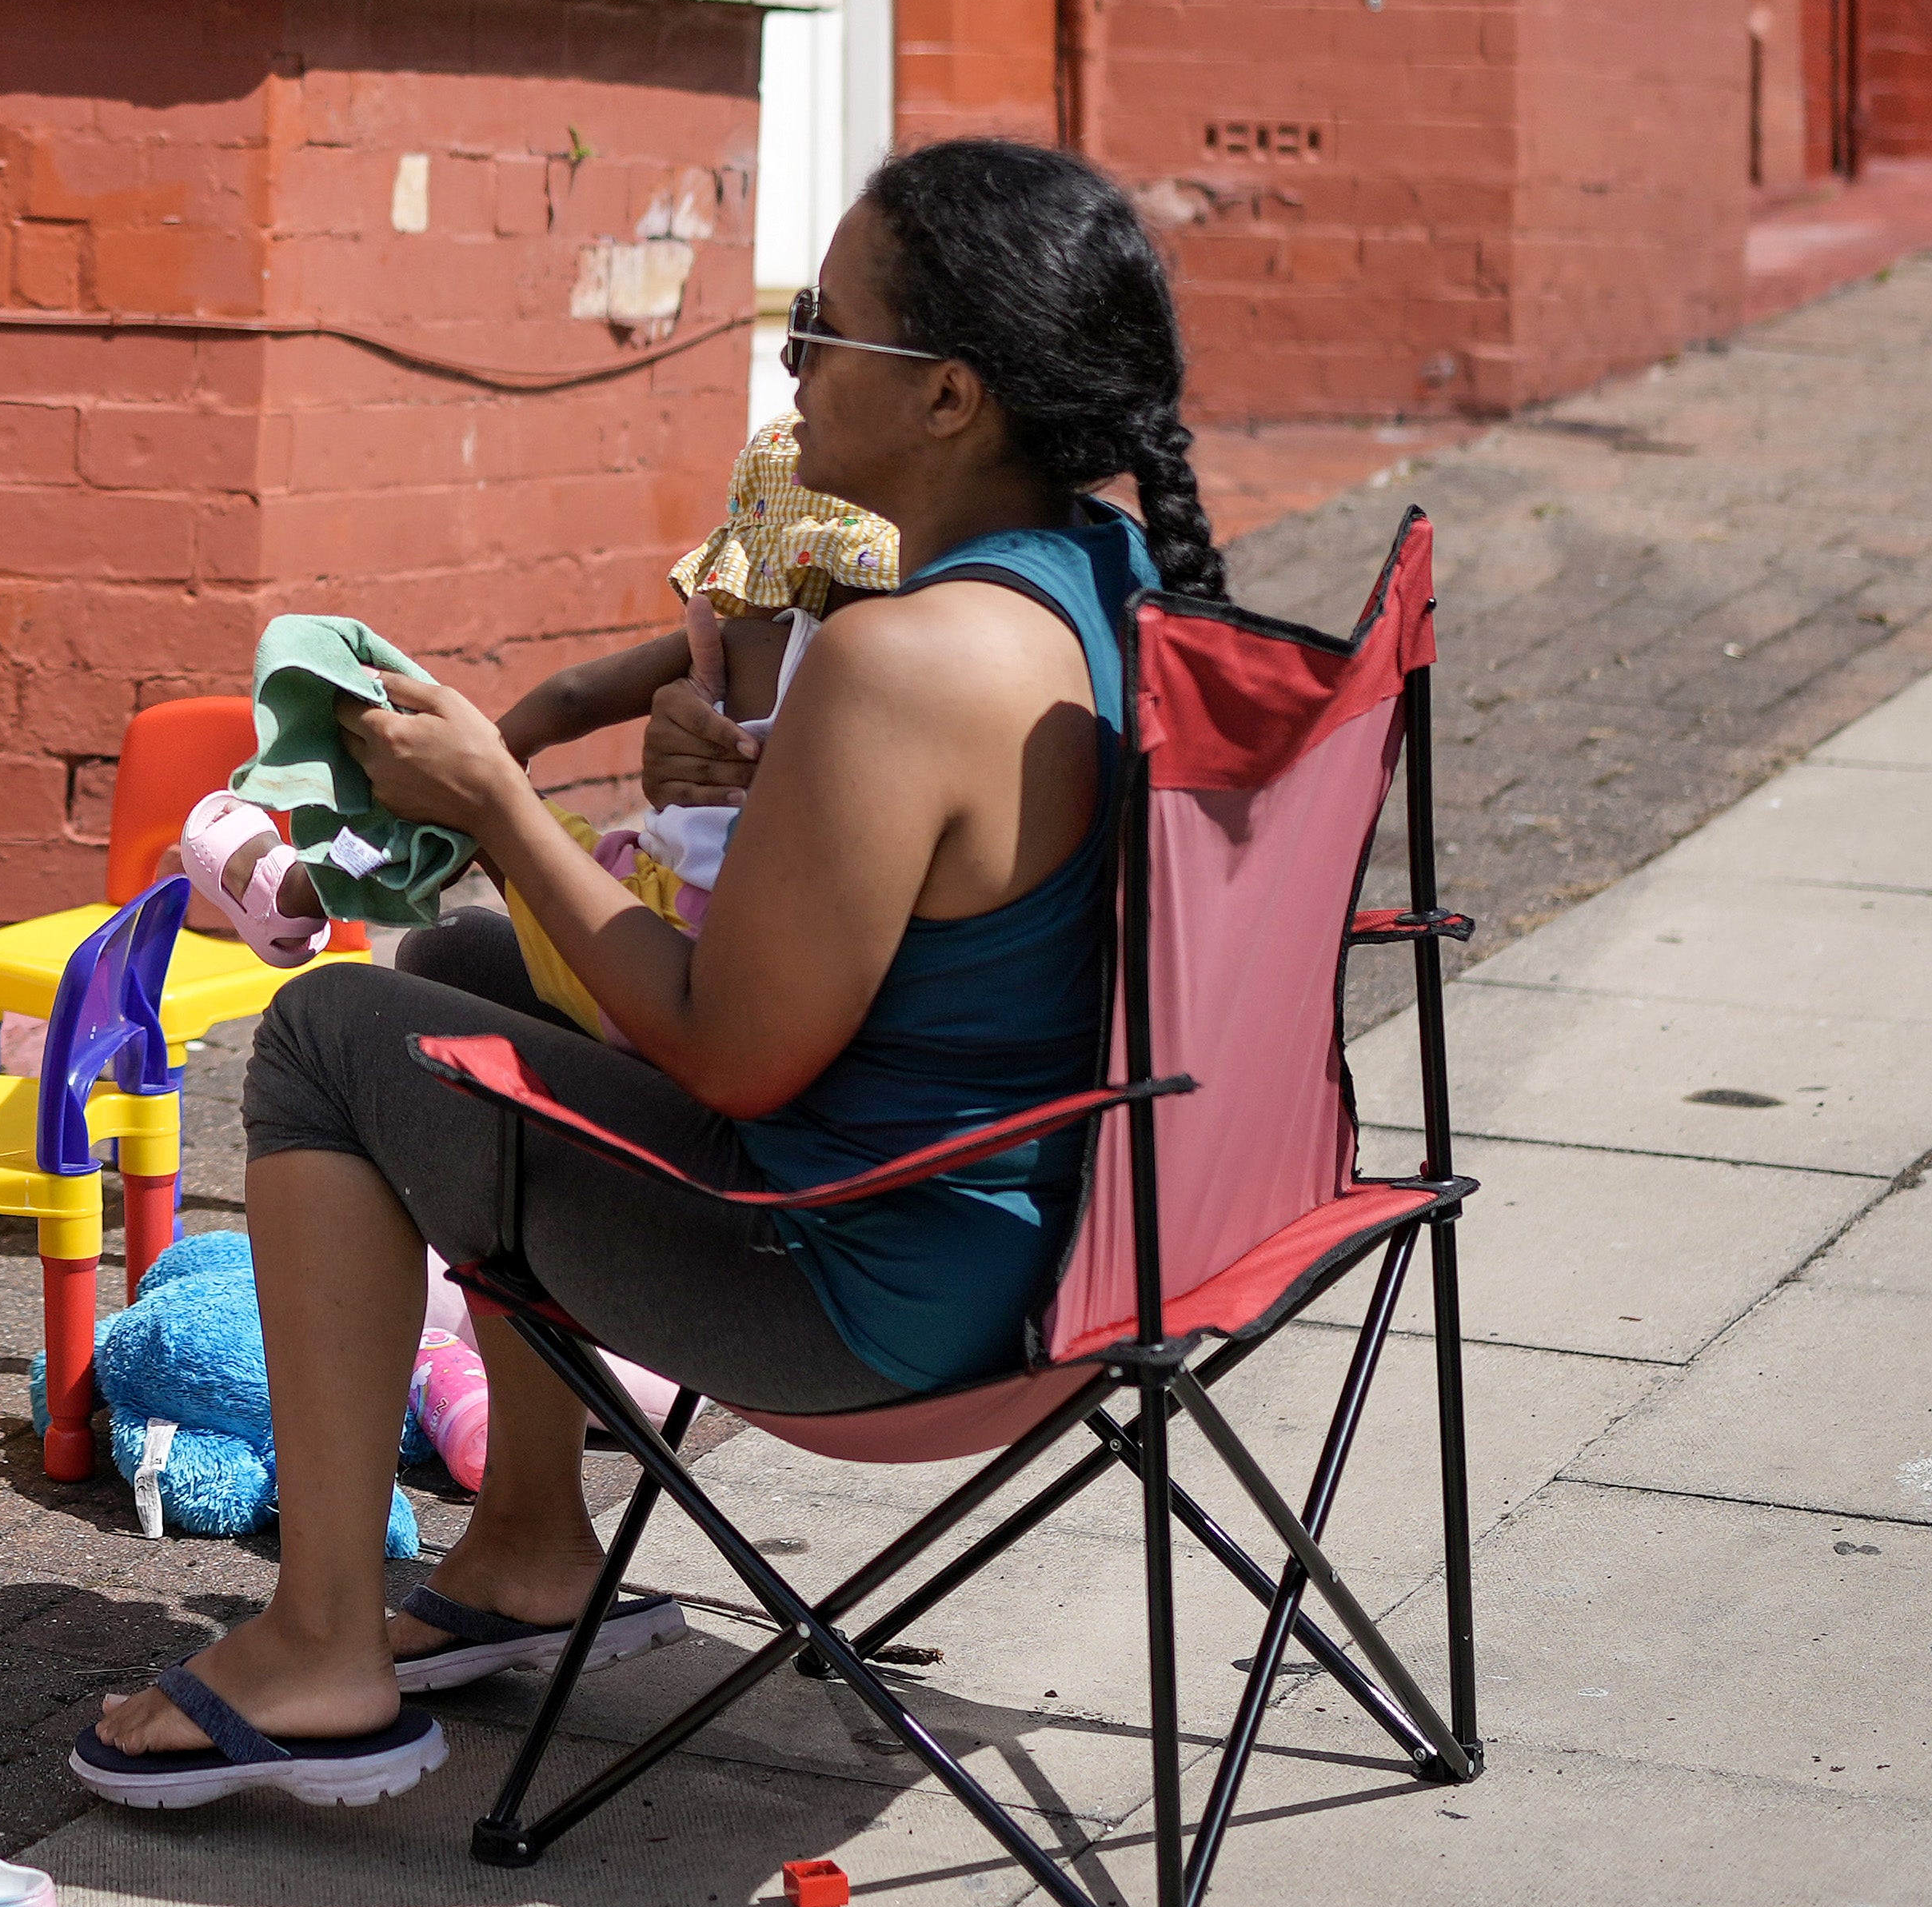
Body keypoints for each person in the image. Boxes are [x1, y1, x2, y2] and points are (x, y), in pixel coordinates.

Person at [71, 138, 1219, 1809]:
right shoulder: (1099, 579)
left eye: (826, 322)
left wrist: (494, 798)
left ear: (952, 394)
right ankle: (532, 1539)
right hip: (1076, 1229)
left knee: (327, 1029)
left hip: (872, 1295)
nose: (793, 358)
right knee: (469, 965)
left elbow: (728, 1058)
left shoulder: (908, 656)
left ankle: (320, 1639)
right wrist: (765, 780)